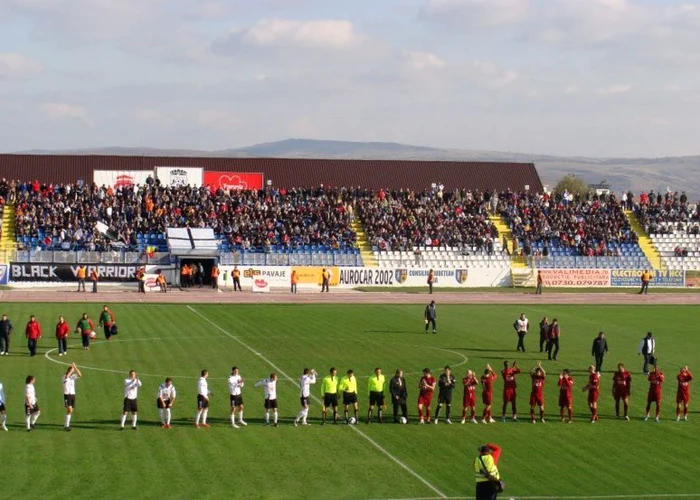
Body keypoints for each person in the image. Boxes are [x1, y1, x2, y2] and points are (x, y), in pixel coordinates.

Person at [62, 363, 82, 431]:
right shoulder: (64, 377)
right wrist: (71, 370)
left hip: (73, 395)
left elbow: (80, 375)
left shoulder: (73, 377)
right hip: (67, 395)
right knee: (69, 410)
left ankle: (66, 425)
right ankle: (66, 425)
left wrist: (75, 367)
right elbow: (67, 377)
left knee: (70, 411)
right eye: (71, 370)